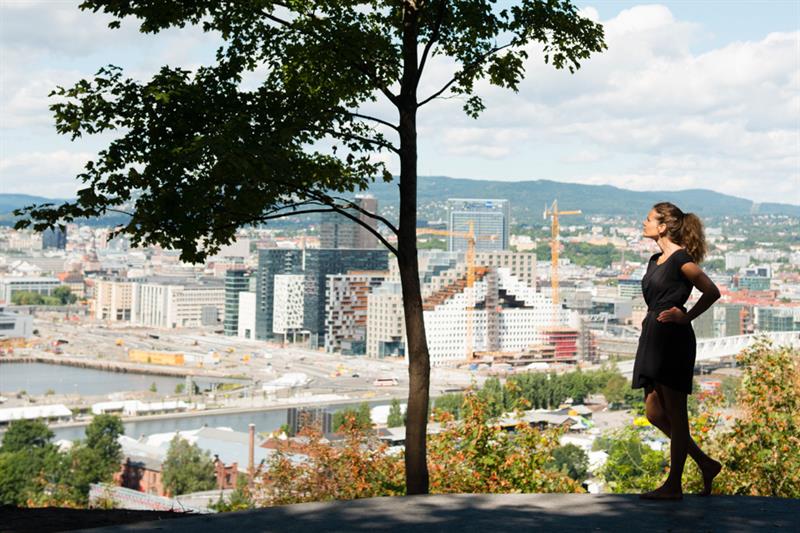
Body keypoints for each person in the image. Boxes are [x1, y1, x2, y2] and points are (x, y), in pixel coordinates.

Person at [632, 201, 722, 500]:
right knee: (654, 413)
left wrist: (686, 316)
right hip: (653, 336)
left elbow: (711, 291)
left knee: (676, 414)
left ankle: (675, 485)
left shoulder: (682, 260)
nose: (643, 223)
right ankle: (706, 463)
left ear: (662, 227)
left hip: (672, 339)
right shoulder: (655, 260)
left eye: (648, 219)